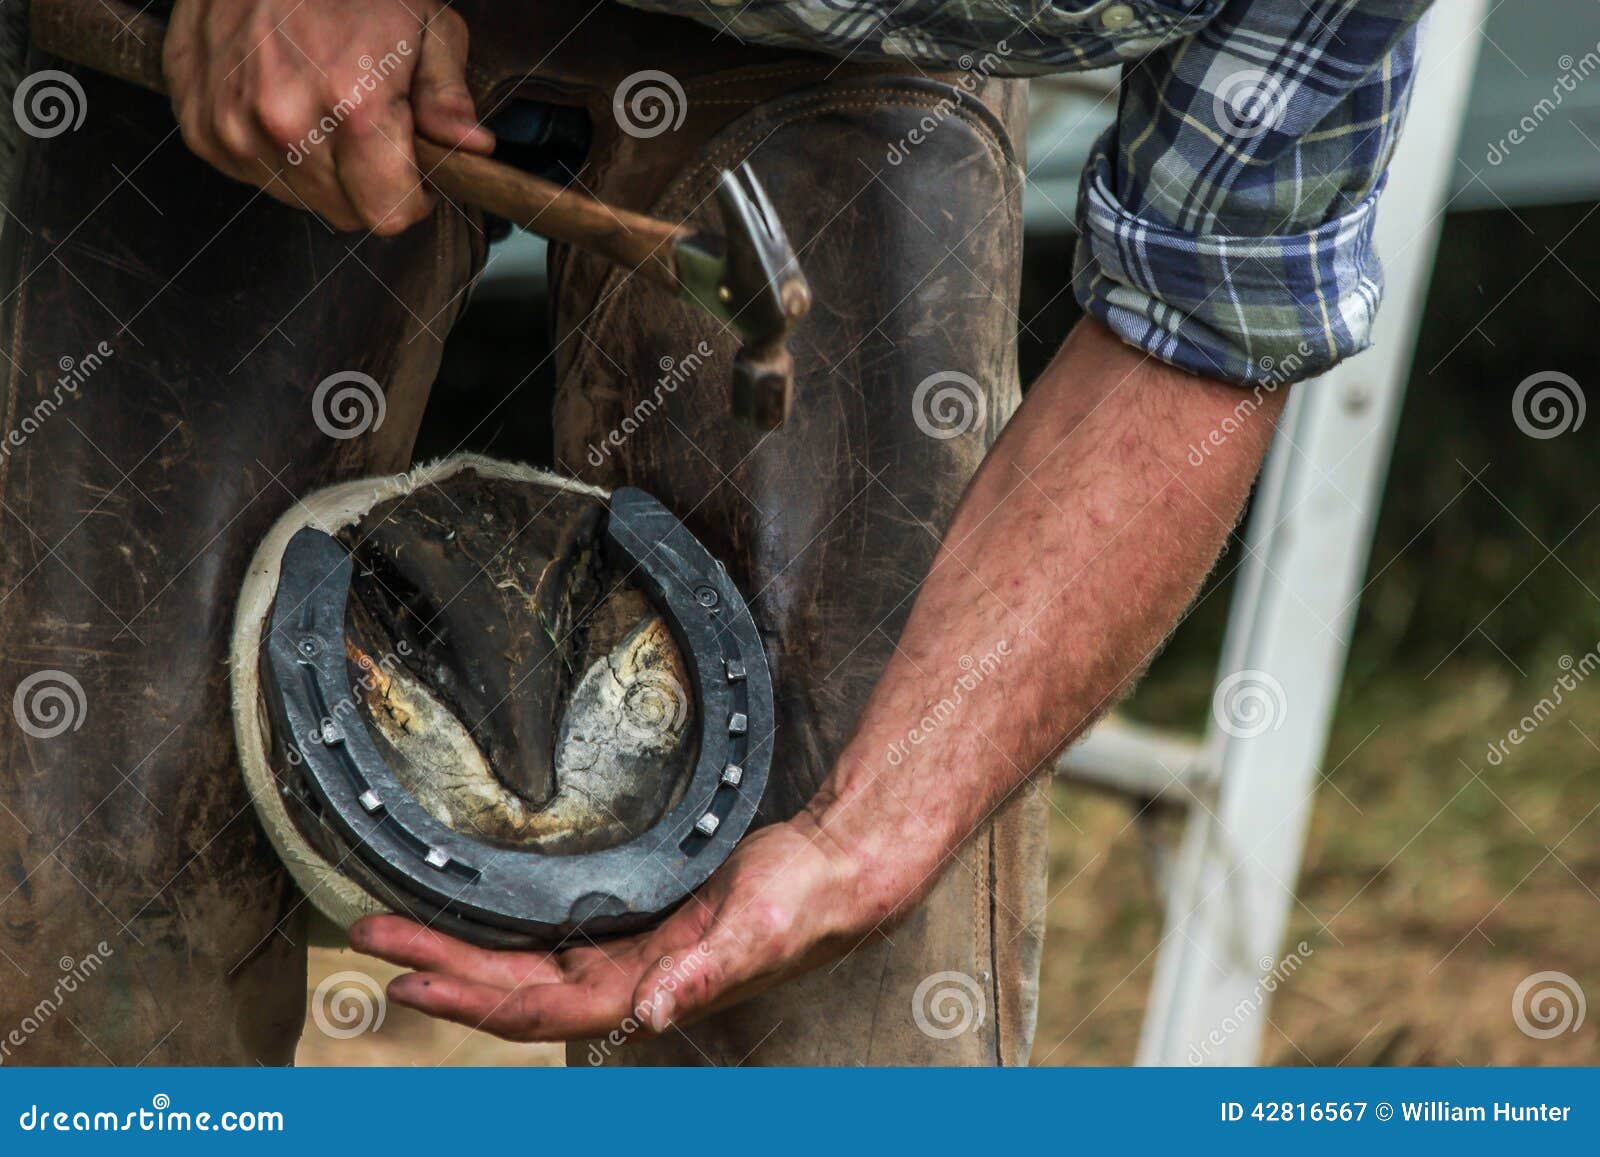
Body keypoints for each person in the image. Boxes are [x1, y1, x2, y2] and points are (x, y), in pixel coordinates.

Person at [0, 0, 1428, 1065]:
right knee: (88, 923)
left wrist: (867, 843)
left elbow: (1207, 324)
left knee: (833, 1022)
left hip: (829, 46)